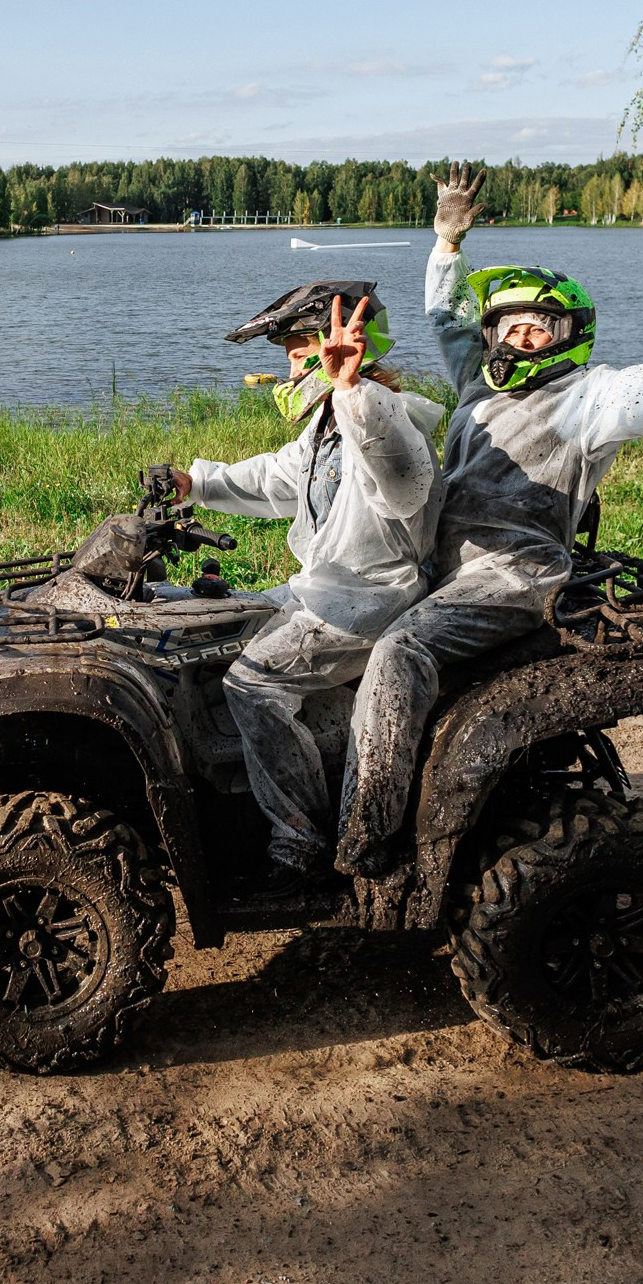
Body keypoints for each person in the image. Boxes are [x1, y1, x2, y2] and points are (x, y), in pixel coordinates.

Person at [335, 167, 643, 876]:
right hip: (447, 573)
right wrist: (446, 242)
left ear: (566, 337)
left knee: (398, 654)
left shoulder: (588, 398)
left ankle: (368, 839)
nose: (516, 341)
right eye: (506, 327)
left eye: (534, 330)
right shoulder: (477, 385)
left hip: (514, 576)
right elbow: (446, 319)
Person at [171, 280, 447, 902]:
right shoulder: (326, 422)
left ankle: (300, 843)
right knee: (212, 625)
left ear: (345, 348)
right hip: (323, 588)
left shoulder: (390, 416)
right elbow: (278, 477)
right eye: (291, 355)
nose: (291, 368)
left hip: (370, 601)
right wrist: (195, 482)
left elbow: (403, 481)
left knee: (253, 682)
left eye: (300, 351)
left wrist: (350, 389)